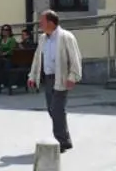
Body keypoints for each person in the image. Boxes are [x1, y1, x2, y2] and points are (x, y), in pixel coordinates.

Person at [27, 10, 83, 154]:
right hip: (48, 78)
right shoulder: (42, 39)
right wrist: (32, 77)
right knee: (52, 110)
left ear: (51, 23)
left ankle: (61, 142)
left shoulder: (66, 37)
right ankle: (65, 139)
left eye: (42, 22)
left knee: (57, 109)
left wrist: (73, 77)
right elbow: (37, 59)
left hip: (61, 78)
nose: (40, 24)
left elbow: (75, 58)